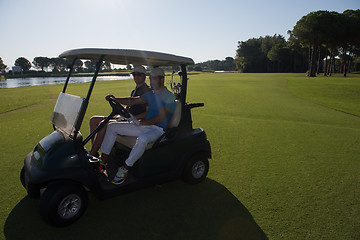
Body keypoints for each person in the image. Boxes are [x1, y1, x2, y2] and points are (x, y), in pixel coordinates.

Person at [100, 67, 176, 184]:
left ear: (162, 79)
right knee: (112, 127)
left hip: (159, 129)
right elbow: (133, 100)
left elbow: (160, 117)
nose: (151, 81)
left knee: (143, 138)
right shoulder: (151, 94)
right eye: (151, 78)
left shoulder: (168, 96)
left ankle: (125, 168)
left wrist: (141, 123)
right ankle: (102, 163)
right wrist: (116, 99)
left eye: (154, 78)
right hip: (145, 126)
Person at [88, 65, 151, 157]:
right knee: (93, 120)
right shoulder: (135, 90)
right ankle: (95, 151)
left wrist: (133, 117)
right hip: (126, 118)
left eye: (139, 75)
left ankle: (92, 155)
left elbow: (147, 112)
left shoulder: (147, 92)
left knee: (104, 123)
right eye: (134, 75)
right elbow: (129, 106)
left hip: (135, 121)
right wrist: (122, 112)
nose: (136, 77)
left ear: (145, 76)